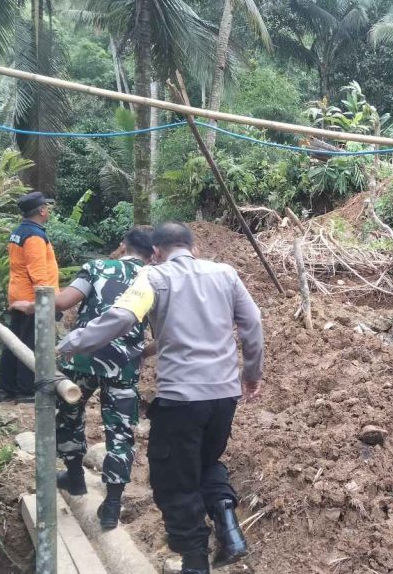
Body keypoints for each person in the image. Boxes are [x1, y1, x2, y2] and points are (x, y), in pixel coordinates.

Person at [57, 222, 264, 574]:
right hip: (224, 395)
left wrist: (71, 344)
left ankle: (195, 561)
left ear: (156, 252)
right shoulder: (226, 274)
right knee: (205, 461)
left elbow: (120, 319)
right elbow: (253, 322)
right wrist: (251, 373)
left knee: (173, 478)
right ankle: (230, 534)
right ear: (192, 247)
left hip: (181, 397)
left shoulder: (152, 278)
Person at [11, 228, 155, 530]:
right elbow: (165, 332)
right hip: (124, 365)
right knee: (120, 430)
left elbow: (62, 302)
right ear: (153, 252)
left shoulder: (98, 267)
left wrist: (27, 306)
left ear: (123, 244)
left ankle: (75, 476)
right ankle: (112, 504)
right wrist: (139, 352)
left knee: (69, 412)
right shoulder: (156, 279)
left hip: (84, 357)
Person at [0, 191, 59, 404]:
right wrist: (46, 303)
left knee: (14, 343)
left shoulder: (20, 231)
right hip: (31, 301)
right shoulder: (34, 236)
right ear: (42, 210)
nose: (48, 210)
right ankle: (25, 391)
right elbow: (39, 275)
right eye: (47, 207)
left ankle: (7, 390)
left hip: (19, 295)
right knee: (29, 345)